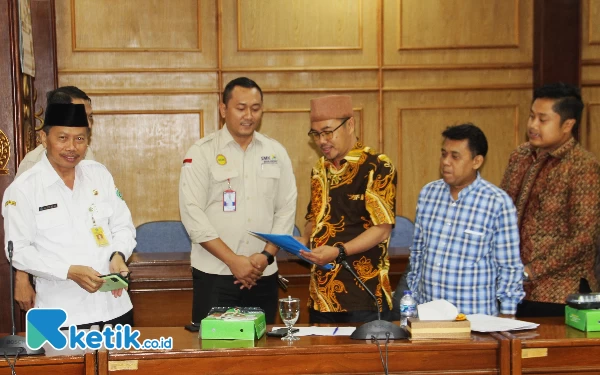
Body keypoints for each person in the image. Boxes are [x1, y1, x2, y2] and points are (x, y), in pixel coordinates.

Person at [2, 103, 136, 328]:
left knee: (121, 364)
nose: (72, 147)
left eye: (80, 139)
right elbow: (17, 251)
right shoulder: (24, 189)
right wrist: (68, 272)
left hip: (114, 307)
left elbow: (123, 226)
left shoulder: (99, 175)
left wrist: (118, 254)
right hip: (61, 314)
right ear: (44, 139)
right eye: (62, 138)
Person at [179, 77, 297, 325]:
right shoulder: (202, 152)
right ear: (223, 110)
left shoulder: (275, 152)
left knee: (263, 355)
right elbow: (192, 214)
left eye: (255, 108)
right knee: (214, 356)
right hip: (216, 275)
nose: (249, 115)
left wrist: (265, 256)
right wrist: (234, 261)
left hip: (263, 273)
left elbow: (286, 209)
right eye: (241, 108)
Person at [500, 83, 600, 317]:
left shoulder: (583, 167)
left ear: (568, 124)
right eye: (532, 116)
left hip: (559, 295)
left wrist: (529, 272)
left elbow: (583, 239)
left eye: (543, 120)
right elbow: (500, 213)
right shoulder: (520, 156)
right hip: (511, 290)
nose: (533, 125)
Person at [406, 124, 524, 316]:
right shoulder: (428, 194)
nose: (445, 161)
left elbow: (509, 267)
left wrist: (508, 317)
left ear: (476, 161)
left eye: (455, 156)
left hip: (475, 319)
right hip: (428, 316)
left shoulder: (497, 203)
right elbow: (418, 253)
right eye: (443, 154)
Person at [299, 95, 397, 323]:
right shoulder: (319, 169)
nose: (322, 141)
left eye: (328, 132)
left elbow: (382, 228)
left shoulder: (377, 165)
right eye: (316, 134)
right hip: (320, 297)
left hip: (364, 295)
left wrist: (338, 251)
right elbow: (314, 217)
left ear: (350, 124)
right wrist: (303, 239)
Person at [13, 86, 96, 313]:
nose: (87, 123)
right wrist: (22, 279)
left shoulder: (89, 159)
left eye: (90, 117)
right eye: (82, 115)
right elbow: (20, 229)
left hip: (88, 286)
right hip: (54, 283)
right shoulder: (34, 166)